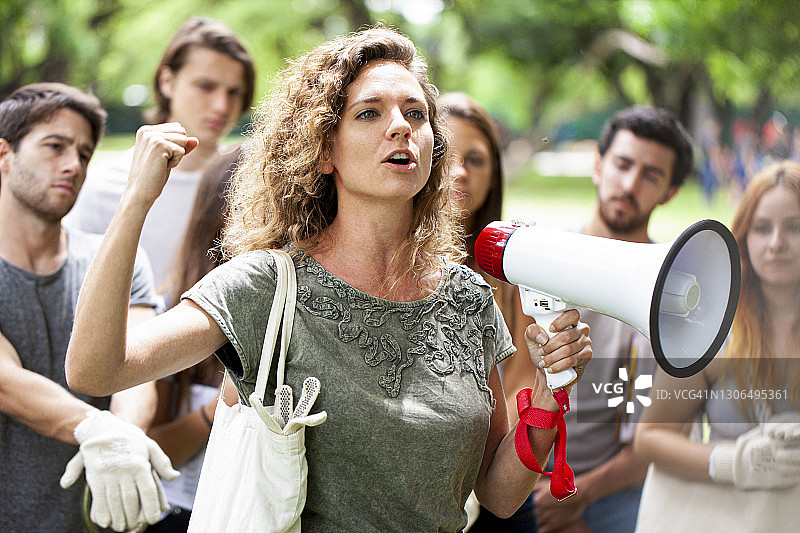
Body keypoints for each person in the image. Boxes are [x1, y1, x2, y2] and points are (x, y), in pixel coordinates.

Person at [65, 27, 593, 532]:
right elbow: (96, 369)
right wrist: (135, 201)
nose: (401, 126)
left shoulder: (468, 300)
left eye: (416, 112)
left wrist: (548, 392)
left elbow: (499, 496)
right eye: (369, 113)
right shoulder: (266, 285)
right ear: (323, 152)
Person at [502, 105, 694, 533]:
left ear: (670, 192)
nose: (628, 184)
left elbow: (658, 435)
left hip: (612, 487)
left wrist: (579, 497)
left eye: (651, 175)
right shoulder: (537, 260)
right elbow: (507, 390)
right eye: (622, 164)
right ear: (598, 165)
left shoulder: (676, 296)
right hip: (528, 472)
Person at [0, 82, 176, 532]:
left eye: (83, 152)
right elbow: (6, 379)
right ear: (4, 155)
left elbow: (136, 369)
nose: (72, 165)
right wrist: (101, 431)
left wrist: (126, 439)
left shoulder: (119, 262)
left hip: (92, 522)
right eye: (54, 146)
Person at [633, 160, 800, 532]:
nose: (777, 244)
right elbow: (650, 438)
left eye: (794, 227)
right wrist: (734, 462)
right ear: (743, 237)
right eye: (762, 228)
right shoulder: (709, 329)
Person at [67, 16, 256, 288]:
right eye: (206, 86)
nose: (221, 105)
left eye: (234, 92)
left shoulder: (254, 188)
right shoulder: (105, 186)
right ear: (167, 81)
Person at [438, 91, 538, 532]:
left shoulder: (518, 267)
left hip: (496, 482)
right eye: (447, 154)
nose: (460, 172)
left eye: (476, 160)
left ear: (495, 175)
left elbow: (517, 389)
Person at [145, 146, 242, 531]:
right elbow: (152, 447)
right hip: (181, 513)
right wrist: (222, 407)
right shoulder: (173, 313)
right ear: (220, 221)